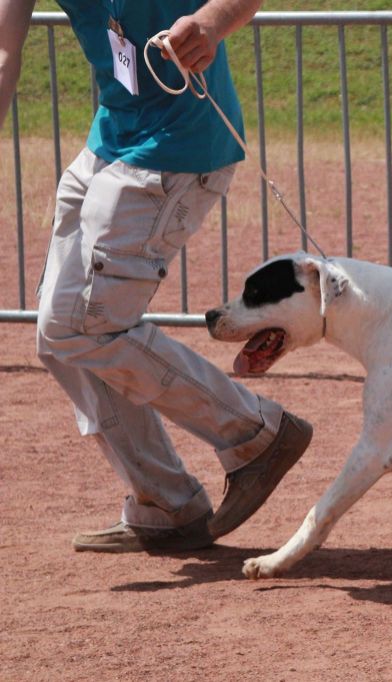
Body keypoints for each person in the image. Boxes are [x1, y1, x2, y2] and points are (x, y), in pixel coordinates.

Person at [0, 0, 313, 552]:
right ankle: (167, 504)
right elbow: (3, 48)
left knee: (85, 328)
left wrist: (213, 22)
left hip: (179, 149)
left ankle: (255, 434)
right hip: (110, 142)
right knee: (59, 337)